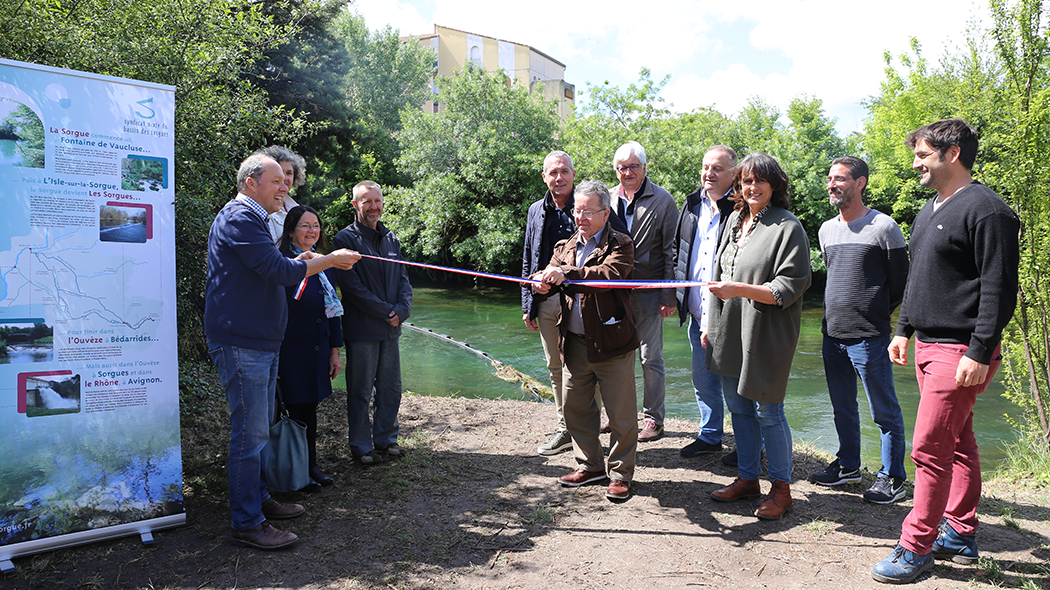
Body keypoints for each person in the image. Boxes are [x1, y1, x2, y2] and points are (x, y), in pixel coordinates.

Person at [872, 119, 1020, 584]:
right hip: (929, 345)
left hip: (961, 352)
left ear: (951, 154)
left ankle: (915, 548)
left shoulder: (988, 210)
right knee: (958, 444)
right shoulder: (930, 208)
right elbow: (920, 279)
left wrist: (981, 350)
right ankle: (959, 532)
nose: (915, 164)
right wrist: (903, 329)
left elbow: (1000, 289)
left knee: (928, 449)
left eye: (922, 155)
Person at [205, 154, 360, 550]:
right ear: (250, 183)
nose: (285, 188)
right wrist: (327, 261)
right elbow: (276, 272)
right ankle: (247, 522)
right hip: (242, 341)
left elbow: (271, 265)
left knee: (257, 429)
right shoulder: (240, 217)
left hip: (257, 340)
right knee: (250, 433)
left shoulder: (253, 219)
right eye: (276, 181)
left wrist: (301, 260)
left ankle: (258, 501)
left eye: (285, 182)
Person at [705, 153, 811, 520]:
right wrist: (709, 326)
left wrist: (739, 289)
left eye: (759, 181)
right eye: (746, 181)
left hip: (767, 332)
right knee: (739, 408)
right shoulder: (734, 219)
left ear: (775, 185)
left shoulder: (787, 226)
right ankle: (748, 478)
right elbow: (718, 276)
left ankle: (781, 490)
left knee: (769, 411)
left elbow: (789, 286)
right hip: (730, 327)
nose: (752, 188)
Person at [808, 156, 910, 504]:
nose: (831, 184)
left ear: (860, 182)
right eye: (830, 179)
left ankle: (893, 478)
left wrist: (876, 314)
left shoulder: (884, 227)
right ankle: (849, 466)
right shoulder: (825, 229)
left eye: (839, 178)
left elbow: (900, 284)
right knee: (842, 406)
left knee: (885, 412)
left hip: (870, 336)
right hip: (832, 334)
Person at [531, 179, 640, 501]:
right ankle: (590, 465)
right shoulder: (563, 247)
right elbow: (551, 275)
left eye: (588, 212)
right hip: (575, 342)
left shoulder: (621, 244)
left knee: (620, 415)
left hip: (612, 342)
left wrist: (568, 274)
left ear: (605, 214)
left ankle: (620, 475)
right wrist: (540, 283)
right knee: (576, 407)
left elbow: (609, 276)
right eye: (577, 211)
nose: (581, 217)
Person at [523, 151, 627, 456]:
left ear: (572, 173)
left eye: (564, 171)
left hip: (584, 303)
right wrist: (528, 301)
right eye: (553, 173)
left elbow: (619, 248)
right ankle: (565, 428)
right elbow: (529, 256)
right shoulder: (535, 210)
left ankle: (588, 431)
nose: (559, 178)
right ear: (544, 177)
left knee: (585, 367)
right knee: (557, 368)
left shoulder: (592, 204)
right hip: (546, 299)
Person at [333, 180, 413, 466]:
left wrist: (402, 310)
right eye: (367, 201)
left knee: (391, 387)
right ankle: (361, 446)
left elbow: (403, 280)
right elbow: (351, 287)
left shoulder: (391, 238)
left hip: (391, 328)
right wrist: (385, 311)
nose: (374, 206)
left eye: (377, 200)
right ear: (355, 205)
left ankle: (386, 439)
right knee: (361, 390)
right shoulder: (344, 240)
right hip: (362, 328)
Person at [609, 141, 677, 442]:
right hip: (612, 293)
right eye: (623, 168)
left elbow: (670, 252)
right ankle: (618, 416)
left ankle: (653, 420)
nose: (628, 172)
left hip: (649, 291)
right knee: (614, 357)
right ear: (616, 171)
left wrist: (668, 295)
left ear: (645, 168)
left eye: (634, 166)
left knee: (650, 358)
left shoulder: (663, 200)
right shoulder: (607, 198)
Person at [674, 145, 738, 460]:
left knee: (734, 383)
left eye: (717, 168)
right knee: (703, 379)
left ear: (733, 174)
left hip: (728, 314)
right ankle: (710, 435)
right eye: (705, 167)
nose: (708, 173)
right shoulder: (690, 205)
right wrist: (675, 296)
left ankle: (749, 443)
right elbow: (680, 252)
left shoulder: (741, 208)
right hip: (697, 309)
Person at [277, 205, 344, 492]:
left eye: (315, 225)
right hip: (291, 351)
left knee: (310, 410)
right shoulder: (283, 263)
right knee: (292, 411)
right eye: (305, 225)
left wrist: (334, 351)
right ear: (291, 230)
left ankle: (310, 465)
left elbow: (332, 311)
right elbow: (274, 312)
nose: (312, 231)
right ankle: (293, 470)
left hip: (317, 348)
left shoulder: (322, 263)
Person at [255, 145, 306, 244]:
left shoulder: (296, 208)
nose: (285, 177)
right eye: (280, 172)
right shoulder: (263, 208)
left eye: (289, 173)